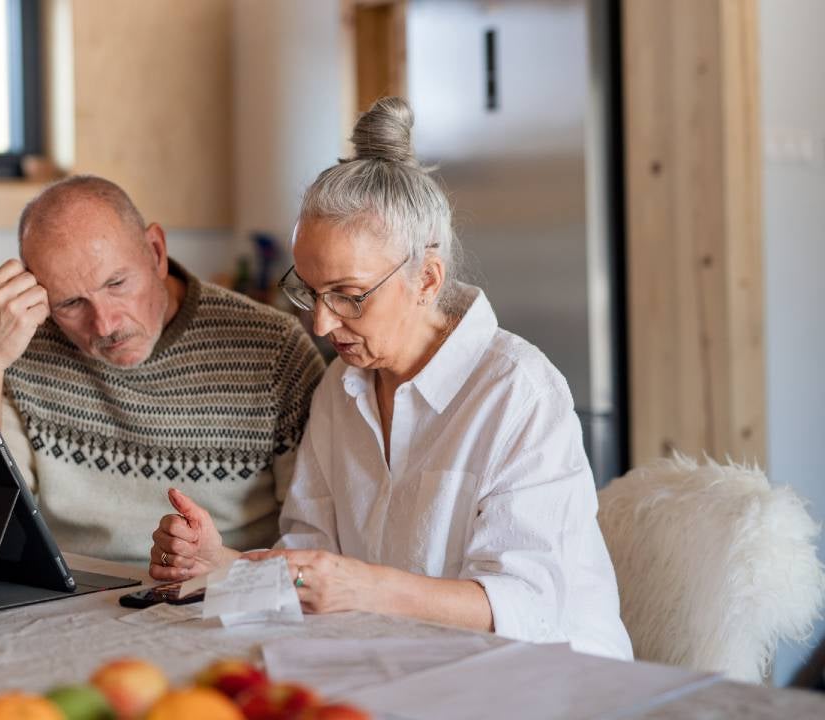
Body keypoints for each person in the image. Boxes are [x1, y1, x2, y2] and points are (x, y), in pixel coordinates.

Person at [149, 98, 633, 660]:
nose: (323, 323)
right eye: (308, 290)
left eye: (349, 297)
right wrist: (222, 565)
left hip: (552, 680)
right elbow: (311, 566)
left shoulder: (518, 393)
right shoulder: (342, 387)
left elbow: (528, 605)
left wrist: (366, 588)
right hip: (405, 663)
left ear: (426, 279)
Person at [0, 175, 325, 564]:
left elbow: (316, 543)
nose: (105, 325)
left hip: (223, 598)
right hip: (69, 602)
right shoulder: (21, 346)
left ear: (156, 252)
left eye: (117, 283)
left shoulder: (275, 348)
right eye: (71, 303)